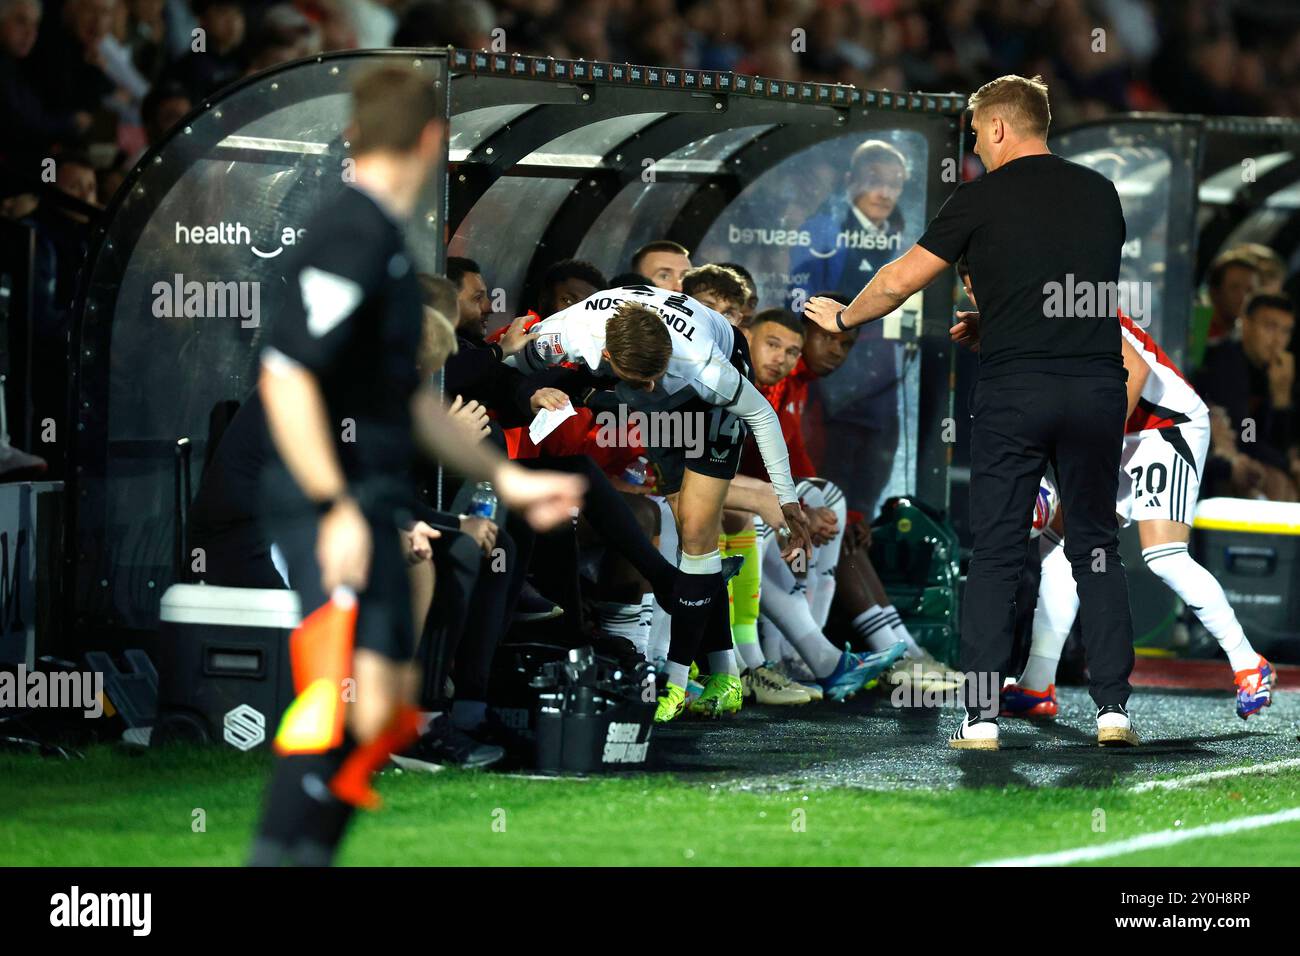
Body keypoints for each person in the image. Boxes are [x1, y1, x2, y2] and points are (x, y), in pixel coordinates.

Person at [248, 64, 584, 867]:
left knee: (384, 710)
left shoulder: (389, 248)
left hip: (375, 497)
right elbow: (286, 375)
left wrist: (507, 478)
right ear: (434, 141)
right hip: (328, 502)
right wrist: (331, 506)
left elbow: (412, 403)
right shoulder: (349, 236)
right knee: (340, 700)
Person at [808, 74, 1137, 750]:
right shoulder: (1101, 194)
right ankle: (1113, 712)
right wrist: (999, 318)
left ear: (997, 129)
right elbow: (1063, 281)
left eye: (975, 133)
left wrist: (841, 317)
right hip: (1096, 387)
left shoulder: (978, 198)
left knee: (995, 553)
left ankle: (982, 717)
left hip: (1018, 390)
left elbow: (900, 278)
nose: (974, 147)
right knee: (1096, 548)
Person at [948, 262, 1277, 722]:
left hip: (1167, 426)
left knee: (1164, 556)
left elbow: (1135, 369)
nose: (974, 286)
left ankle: (1250, 664)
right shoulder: (1020, 312)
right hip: (1118, 431)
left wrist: (1092, 449)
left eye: (981, 271)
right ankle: (1036, 684)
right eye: (967, 279)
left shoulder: (1057, 299)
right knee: (1060, 548)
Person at [509, 282, 817, 721]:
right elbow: (510, 364)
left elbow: (762, 416)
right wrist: (526, 381)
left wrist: (788, 498)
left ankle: (673, 683)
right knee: (684, 520)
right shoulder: (569, 335)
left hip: (708, 383)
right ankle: (725, 675)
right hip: (650, 385)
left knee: (695, 529)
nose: (651, 386)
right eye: (641, 380)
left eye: (655, 376)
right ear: (609, 358)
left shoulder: (705, 365)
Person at [1195, 293, 1298, 501]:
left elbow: (1282, 443)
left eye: (1285, 331)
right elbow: (1246, 436)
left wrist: (1282, 400)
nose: (1278, 340)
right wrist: (1288, 465)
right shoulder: (1226, 362)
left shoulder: (1280, 371)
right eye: (1270, 327)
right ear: (1246, 324)